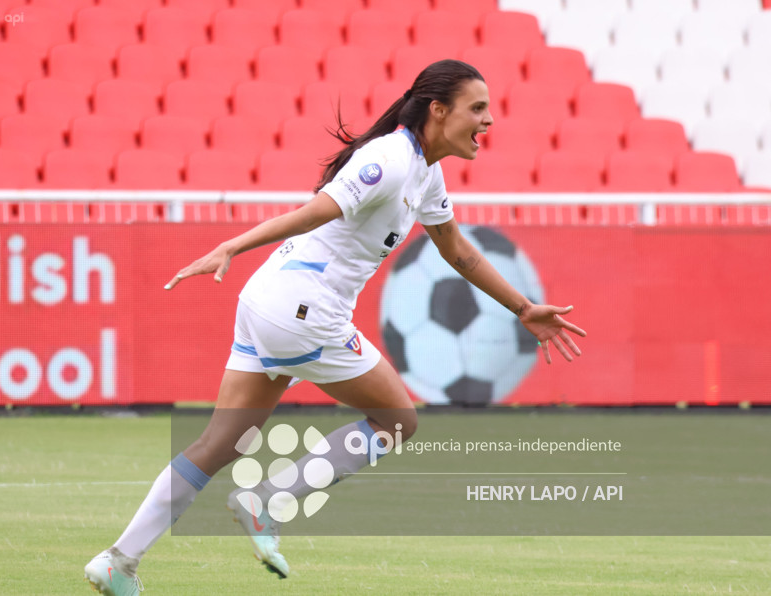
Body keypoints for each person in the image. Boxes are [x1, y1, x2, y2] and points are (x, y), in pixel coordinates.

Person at [84, 59, 586, 595]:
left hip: (268, 303)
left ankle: (119, 561)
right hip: (303, 309)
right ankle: (267, 502)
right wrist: (231, 244)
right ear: (439, 110)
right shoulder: (390, 159)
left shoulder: (426, 171)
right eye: (478, 108)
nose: (489, 121)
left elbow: (457, 250)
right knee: (397, 420)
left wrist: (522, 307)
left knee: (221, 443)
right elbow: (316, 211)